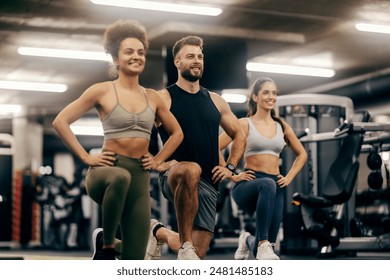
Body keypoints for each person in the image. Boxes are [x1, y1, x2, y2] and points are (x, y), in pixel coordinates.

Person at [52, 19, 183, 260]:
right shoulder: (101, 90)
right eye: (129, 52)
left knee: (134, 260)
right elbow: (60, 121)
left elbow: (177, 133)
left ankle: (106, 241)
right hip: (106, 172)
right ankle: (108, 245)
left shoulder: (153, 98)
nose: (137, 56)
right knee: (119, 176)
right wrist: (85, 157)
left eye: (141, 52)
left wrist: (157, 161)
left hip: (139, 179)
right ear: (115, 59)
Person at [144, 35, 246, 260]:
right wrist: (158, 162)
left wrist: (230, 166)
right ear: (177, 63)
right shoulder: (164, 98)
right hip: (175, 175)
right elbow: (137, 132)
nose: (197, 60)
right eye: (190, 56)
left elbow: (239, 133)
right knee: (190, 169)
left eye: (200, 56)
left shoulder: (216, 100)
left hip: (209, 183)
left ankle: (158, 232)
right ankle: (185, 243)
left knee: (197, 256)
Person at [219, 77, 307, 260]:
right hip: (249, 184)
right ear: (255, 97)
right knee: (267, 184)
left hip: (276, 186)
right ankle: (261, 243)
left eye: (274, 93)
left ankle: (248, 240)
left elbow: (302, 154)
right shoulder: (244, 124)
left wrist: (289, 177)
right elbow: (214, 146)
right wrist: (230, 174)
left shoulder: (282, 126)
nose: (271, 96)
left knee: (268, 248)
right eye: (266, 92)